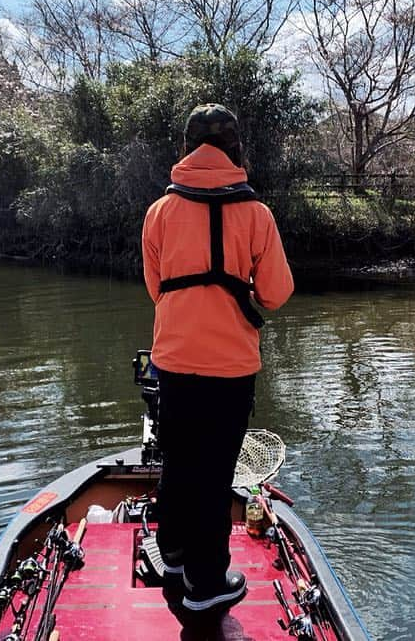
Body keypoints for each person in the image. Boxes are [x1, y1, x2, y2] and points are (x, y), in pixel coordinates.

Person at [141, 103, 294, 612]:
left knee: (179, 462)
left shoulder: (160, 212)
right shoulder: (256, 214)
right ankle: (205, 587)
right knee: (214, 473)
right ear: (235, 149)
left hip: (175, 361)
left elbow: (155, 290)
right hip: (230, 370)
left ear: (186, 149)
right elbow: (275, 294)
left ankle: (175, 556)